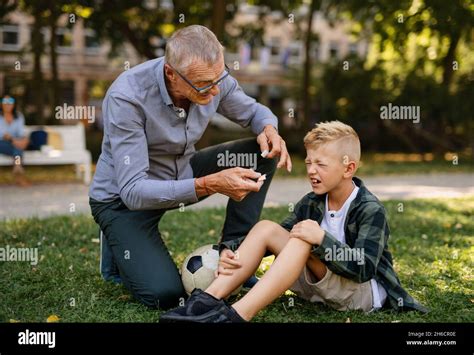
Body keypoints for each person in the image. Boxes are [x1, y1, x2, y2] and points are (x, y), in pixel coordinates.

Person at [88, 25, 292, 310]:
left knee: (264, 154)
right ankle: (116, 239)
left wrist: (268, 128)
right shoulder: (127, 97)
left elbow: (254, 111)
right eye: (204, 84)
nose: (216, 89)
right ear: (171, 73)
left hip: (182, 170)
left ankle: (235, 255)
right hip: (124, 199)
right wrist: (210, 183)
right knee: (165, 295)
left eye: (219, 77)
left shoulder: (212, 78)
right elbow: (133, 191)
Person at [160, 120, 427, 322]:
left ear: (348, 168)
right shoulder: (312, 201)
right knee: (267, 228)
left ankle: (236, 316)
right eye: (309, 162)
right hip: (321, 286)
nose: (311, 171)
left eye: (321, 165)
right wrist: (231, 248)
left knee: (302, 240)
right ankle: (203, 303)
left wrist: (322, 240)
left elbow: (365, 267)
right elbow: (276, 235)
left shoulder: (370, 209)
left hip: (359, 294)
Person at [0, 94, 30, 187]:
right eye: (5, 102)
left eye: (10, 101)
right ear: (1, 103)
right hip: (2, 143)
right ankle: (19, 176)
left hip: (13, 144)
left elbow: (20, 133)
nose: (8, 104)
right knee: (17, 148)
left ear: (14, 104)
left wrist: (24, 140)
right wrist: (15, 141)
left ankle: (17, 167)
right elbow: (3, 135)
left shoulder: (19, 116)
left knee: (17, 149)